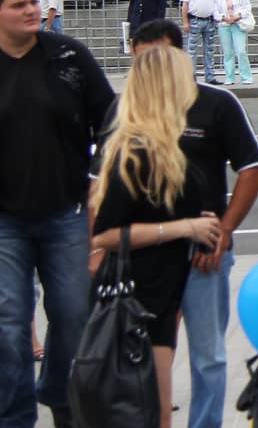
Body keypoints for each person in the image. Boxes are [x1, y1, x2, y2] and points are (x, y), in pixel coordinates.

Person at [0, 0, 114, 427]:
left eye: (33, 1)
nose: (31, 9)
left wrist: (96, 179)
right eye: (18, 4)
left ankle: (57, 389)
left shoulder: (69, 55)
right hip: (5, 220)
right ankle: (15, 416)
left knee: (73, 313)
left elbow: (111, 122)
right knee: (9, 324)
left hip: (67, 211)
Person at [88, 47, 224, 428]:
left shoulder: (164, 146)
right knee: (150, 413)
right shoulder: (134, 151)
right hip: (136, 295)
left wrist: (202, 221)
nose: (191, 85)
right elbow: (106, 234)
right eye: (184, 75)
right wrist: (185, 228)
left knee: (156, 412)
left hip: (162, 291)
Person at [180, 0, 221, 84]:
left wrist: (216, 18)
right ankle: (190, 77)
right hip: (195, 19)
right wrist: (185, 22)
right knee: (191, 50)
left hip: (209, 20)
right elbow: (184, 5)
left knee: (209, 49)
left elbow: (215, 2)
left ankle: (210, 76)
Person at [214, 0, 254, 86]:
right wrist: (224, 18)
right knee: (227, 52)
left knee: (241, 51)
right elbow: (215, 12)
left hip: (238, 24)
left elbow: (247, 8)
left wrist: (237, 16)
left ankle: (246, 77)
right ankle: (229, 77)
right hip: (224, 25)